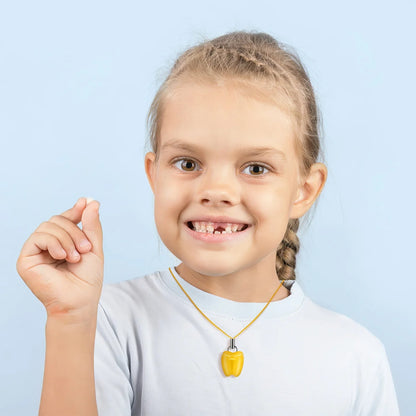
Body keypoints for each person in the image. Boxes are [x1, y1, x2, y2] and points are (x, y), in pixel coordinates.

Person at [16, 30, 400, 415]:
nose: (216, 190)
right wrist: (69, 321)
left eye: (255, 168)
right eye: (188, 163)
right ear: (155, 175)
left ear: (303, 189)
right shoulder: (105, 319)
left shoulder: (356, 357)